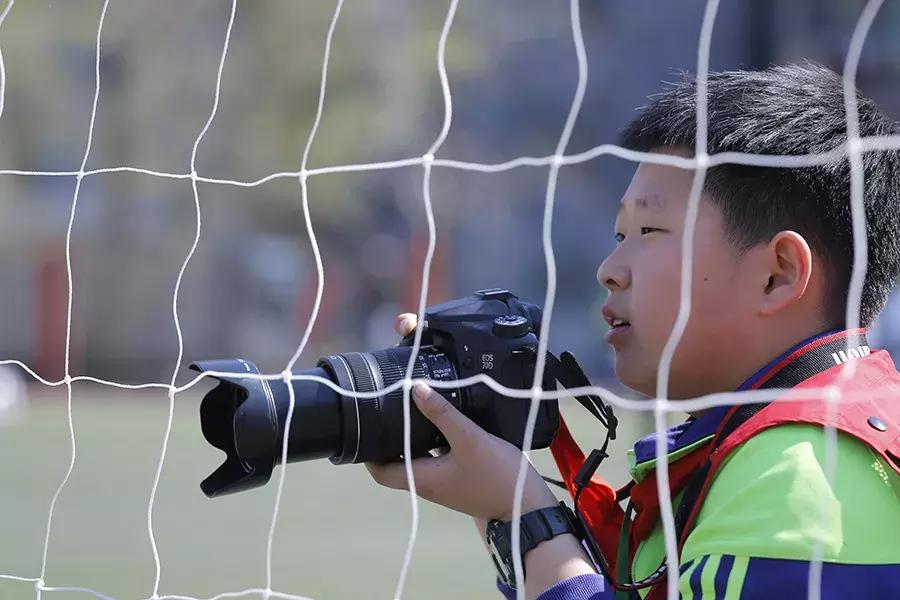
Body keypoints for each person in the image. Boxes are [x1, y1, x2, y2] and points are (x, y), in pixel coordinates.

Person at [366, 63, 900, 599]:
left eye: (649, 230)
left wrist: (522, 513)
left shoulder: (803, 480)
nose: (610, 268)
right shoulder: (800, 434)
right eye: (619, 233)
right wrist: (496, 486)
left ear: (777, 273)